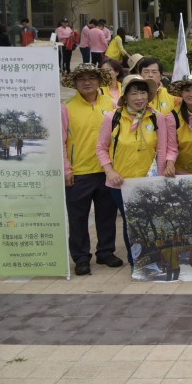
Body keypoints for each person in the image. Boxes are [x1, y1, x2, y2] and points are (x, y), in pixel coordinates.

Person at [95, 75, 170, 263]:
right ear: (125, 96)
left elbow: (162, 149)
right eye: (134, 93)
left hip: (149, 181)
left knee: (150, 220)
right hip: (121, 183)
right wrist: (110, 171)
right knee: (132, 222)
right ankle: (136, 261)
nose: (139, 98)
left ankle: (153, 257)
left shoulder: (156, 117)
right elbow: (101, 148)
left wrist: (160, 178)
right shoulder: (113, 117)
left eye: (143, 92)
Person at [61, 64, 119, 276]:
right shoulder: (66, 107)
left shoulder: (112, 104)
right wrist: (66, 169)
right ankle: (81, 257)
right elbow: (61, 141)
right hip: (79, 172)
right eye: (82, 78)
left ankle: (105, 251)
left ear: (99, 80)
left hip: (107, 171)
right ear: (75, 83)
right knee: (78, 218)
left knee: (107, 215)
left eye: (92, 78)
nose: (87, 82)